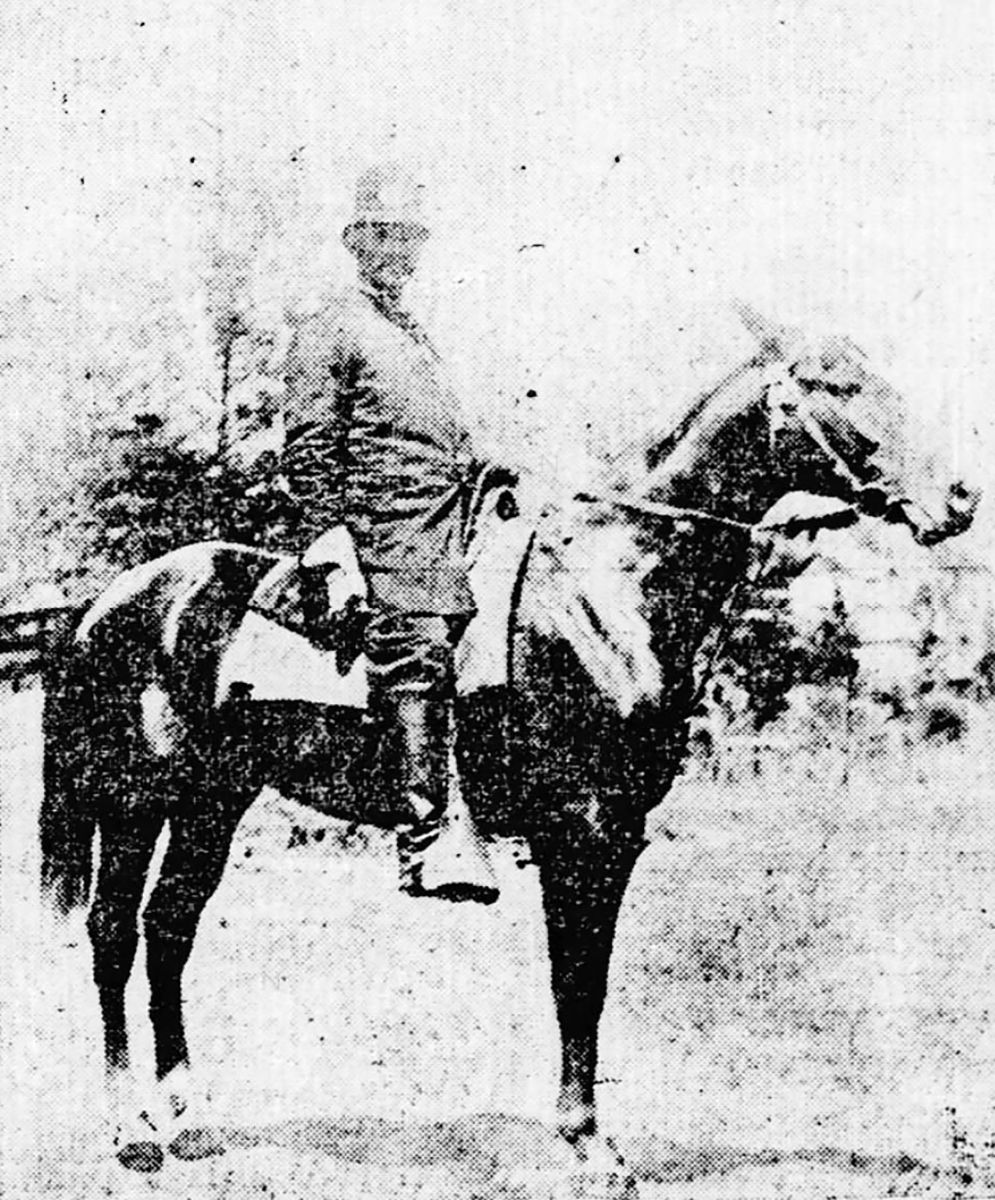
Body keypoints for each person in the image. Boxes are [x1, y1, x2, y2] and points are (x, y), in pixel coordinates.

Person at [281, 164, 498, 904]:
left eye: (408, 238)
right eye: (382, 236)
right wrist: (330, 543)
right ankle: (426, 836)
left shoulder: (411, 334)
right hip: (381, 534)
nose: (397, 251)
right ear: (353, 242)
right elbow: (309, 445)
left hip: (445, 524)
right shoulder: (330, 325)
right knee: (416, 645)